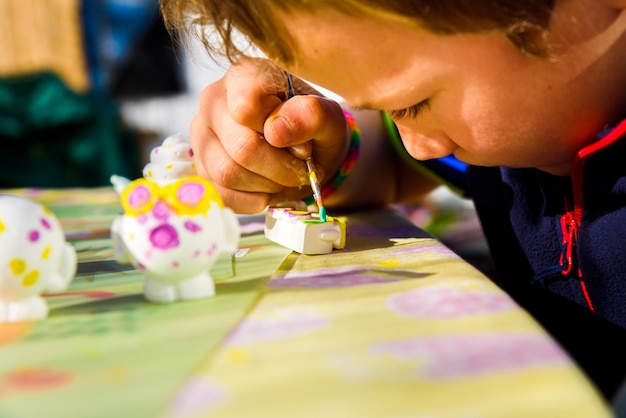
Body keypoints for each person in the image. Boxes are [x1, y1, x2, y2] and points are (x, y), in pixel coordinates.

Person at [160, 0, 626, 402]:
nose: (417, 145)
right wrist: (323, 149)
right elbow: (393, 162)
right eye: (383, 107)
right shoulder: (515, 136)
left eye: (415, 104)